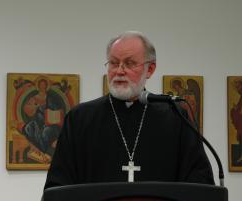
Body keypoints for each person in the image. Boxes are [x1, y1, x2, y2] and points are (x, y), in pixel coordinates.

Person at [45, 31, 214, 189]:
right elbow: (59, 187)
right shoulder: (79, 118)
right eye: (113, 63)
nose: (119, 71)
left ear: (150, 69)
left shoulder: (174, 116)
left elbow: (198, 183)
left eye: (129, 63)